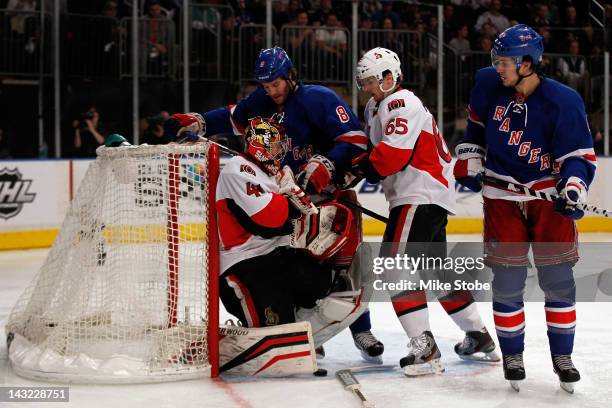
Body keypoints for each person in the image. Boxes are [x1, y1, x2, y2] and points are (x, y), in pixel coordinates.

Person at [163, 46, 384, 363]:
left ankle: (361, 330)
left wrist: (327, 164)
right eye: (266, 86)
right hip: (289, 196)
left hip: (329, 192)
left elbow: (355, 139)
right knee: (298, 263)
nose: (272, 91)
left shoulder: (318, 98)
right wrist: (198, 123)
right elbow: (231, 117)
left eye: (276, 84)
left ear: (290, 75)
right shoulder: (260, 103)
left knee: (345, 263)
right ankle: (305, 331)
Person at [453, 24, 596, 393]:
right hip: (502, 198)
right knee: (508, 281)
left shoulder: (562, 101)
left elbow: (577, 157)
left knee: (558, 280)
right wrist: (470, 159)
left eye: (505, 62)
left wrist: (574, 187)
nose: (498, 68)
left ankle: (562, 357)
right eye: (496, 61)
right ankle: (512, 355)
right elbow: (474, 134)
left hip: (547, 200)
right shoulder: (488, 84)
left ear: (528, 63)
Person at [353, 47, 498, 377]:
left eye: (375, 80)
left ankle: (425, 348)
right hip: (426, 196)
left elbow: (392, 156)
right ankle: (479, 336)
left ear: (391, 77)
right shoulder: (377, 106)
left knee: (394, 267)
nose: (370, 87)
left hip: (418, 195)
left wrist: (357, 168)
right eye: (366, 82)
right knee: (437, 273)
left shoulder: (400, 102)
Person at [216, 116, 333, 329]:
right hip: (243, 263)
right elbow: (267, 223)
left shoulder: (272, 171)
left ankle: (299, 326)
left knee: (319, 280)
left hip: (271, 256)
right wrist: (295, 205)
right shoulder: (239, 169)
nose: (280, 150)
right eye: (276, 145)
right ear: (260, 144)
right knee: (277, 325)